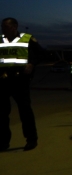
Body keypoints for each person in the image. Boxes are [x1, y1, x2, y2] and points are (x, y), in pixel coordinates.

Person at [0, 17, 41, 151]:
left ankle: (31, 139)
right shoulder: (0, 39)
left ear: (14, 27)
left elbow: (40, 54)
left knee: (25, 111)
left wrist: (32, 64)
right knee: (2, 114)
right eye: (2, 26)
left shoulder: (27, 38)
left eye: (5, 26)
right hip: (3, 81)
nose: (3, 29)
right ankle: (3, 142)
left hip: (20, 80)